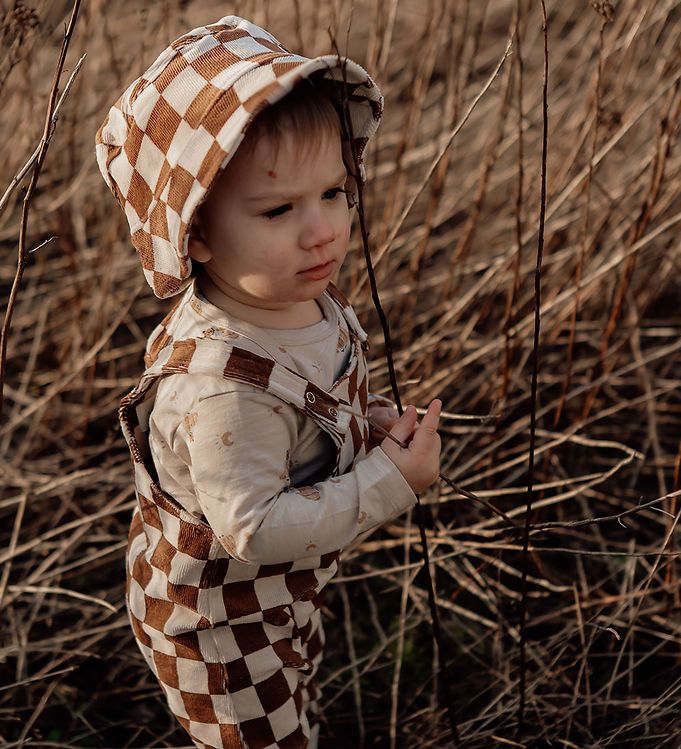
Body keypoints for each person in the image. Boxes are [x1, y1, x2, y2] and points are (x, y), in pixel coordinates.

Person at [96, 15, 441, 749]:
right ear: (194, 231)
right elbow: (252, 529)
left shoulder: (290, 293)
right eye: (279, 209)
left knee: (294, 694)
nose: (322, 230)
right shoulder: (223, 390)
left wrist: (362, 422)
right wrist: (389, 478)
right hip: (218, 627)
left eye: (332, 192)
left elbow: (304, 402)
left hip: (282, 596)